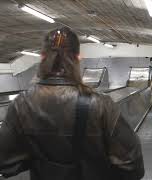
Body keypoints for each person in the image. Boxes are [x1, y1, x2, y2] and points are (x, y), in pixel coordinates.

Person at [0, 27, 144, 180]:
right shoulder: (101, 104)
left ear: (42, 57)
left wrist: (41, 161)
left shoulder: (21, 104)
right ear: (78, 58)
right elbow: (132, 165)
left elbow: (6, 163)